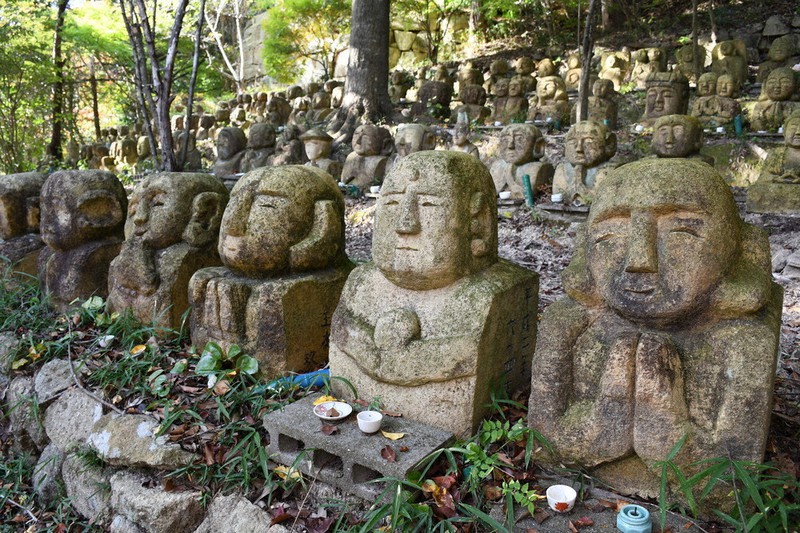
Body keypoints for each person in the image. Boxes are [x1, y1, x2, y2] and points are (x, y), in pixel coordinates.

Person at [529, 158, 782, 496]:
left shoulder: (743, 341)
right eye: (610, 233)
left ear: (738, 247)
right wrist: (597, 432)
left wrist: (670, 443)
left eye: (681, 231)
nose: (639, 260)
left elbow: (731, 488)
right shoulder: (569, 324)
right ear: (584, 249)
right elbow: (544, 445)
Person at [329, 151, 538, 436]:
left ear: (478, 225)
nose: (406, 225)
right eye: (391, 203)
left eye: (428, 205)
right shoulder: (361, 283)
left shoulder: (479, 298)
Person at [107, 173, 229, 329]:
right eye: (134, 208)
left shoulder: (182, 260)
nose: (139, 217)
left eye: (158, 203)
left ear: (206, 212)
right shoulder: (128, 256)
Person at [38, 170, 127, 310]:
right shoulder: (49, 254)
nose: (47, 220)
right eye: (43, 207)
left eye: (58, 208)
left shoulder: (97, 256)